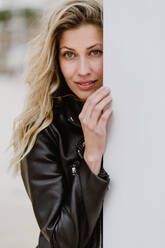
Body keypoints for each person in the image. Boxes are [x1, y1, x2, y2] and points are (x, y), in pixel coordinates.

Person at [9, 0, 113, 247]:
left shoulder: (136, 114)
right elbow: (60, 240)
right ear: (55, 60)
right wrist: (92, 156)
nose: (83, 70)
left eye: (95, 52)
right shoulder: (42, 128)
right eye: (70, 55)